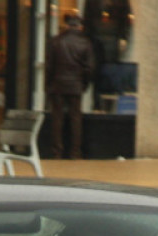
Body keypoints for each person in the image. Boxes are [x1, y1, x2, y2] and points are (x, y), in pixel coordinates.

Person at [45, 14, 95, 160]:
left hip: (57, 84)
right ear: (79, 26)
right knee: (75, 119)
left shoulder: (56, 41)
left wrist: (48, 85)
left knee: (57, 118)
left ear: (67, 25)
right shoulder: (85, 43)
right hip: (76, 85)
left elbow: (49, 66)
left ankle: (57, 152)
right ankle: (75, 152)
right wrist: (84, 84)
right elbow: (90, 68)